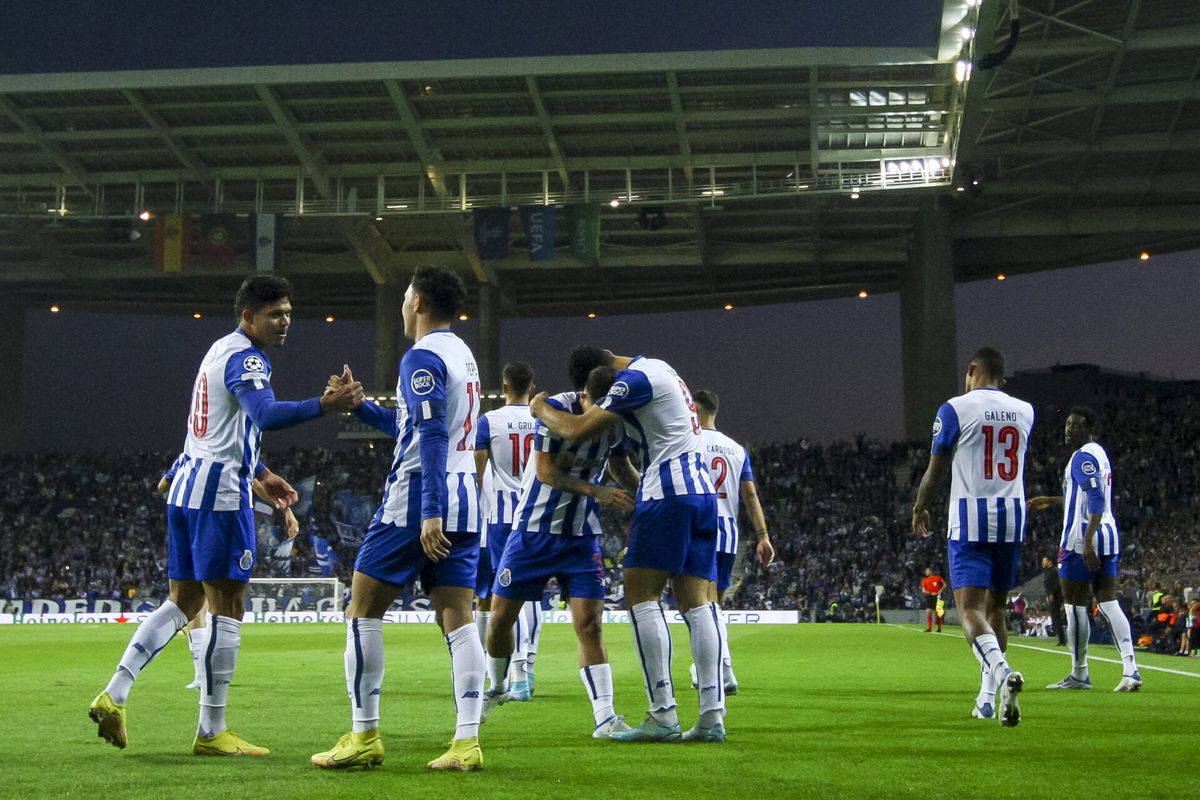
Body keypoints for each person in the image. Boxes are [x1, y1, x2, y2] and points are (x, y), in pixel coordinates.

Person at [88, 274, 363, 755]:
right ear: (248, 316)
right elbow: (268, 414)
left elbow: (219, 427)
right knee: (228, 606)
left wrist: (262, 472)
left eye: (289, 314)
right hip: (219, 496)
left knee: (183, 603)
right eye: (275, 314)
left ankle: (115, 694)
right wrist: (327, 404)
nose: (284, 322)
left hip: (189, 487)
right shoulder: (248, 358)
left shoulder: (218, 350)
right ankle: (212, 731)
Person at [312, 265, 487, 772]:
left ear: (417, 302)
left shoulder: (421, 357)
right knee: (458, 618)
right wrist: (361, 407)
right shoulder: (463, 356)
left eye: (405, 294)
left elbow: (430, 436)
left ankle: (364, 735)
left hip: (417, 501)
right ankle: (466, 742)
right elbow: (412, 425)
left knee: (362, 609)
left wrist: (429, 513)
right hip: (465, 499)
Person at [532, 348, 725, 743]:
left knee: (640, 594)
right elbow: (621, 459)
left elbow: (576, 429)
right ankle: (711, 716)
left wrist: (538, 407)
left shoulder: (633, 380)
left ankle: (663, 715)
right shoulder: (661, 366)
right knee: (696, 602)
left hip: (669, 490)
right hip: (704, 492)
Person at [483, 363, 638, 738]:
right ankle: (499, 686)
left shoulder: (616, 421)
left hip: (581, 537)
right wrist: (596, 492)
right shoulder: (552, 410)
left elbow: (621, 466)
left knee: (590, 624)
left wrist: (644, 495)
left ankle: (605, 717)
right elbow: (546, 472)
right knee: (501, 618)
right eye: (594, 409)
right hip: (532, 532)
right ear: (583, 396)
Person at [912, 347, 1032, 727]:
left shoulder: (955, 408)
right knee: (997, 609)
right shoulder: (1025, 411)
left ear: (972, 369)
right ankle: (985, 699)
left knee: (969, 611)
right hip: (1012, 519)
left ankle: (1000, 674)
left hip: (970, 520)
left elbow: (934, 472)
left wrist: (919, 507)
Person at [156, 456, 300, 690]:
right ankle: (208, 675)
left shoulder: (188, 456)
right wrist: (286, 511)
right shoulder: (237, 448)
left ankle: (201, 674)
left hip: (191, 519)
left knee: (196, 602)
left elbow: (163, 485)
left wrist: (186, 487)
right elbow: (257, 482)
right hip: (222, 524)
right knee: (215, 601)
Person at [1028, 406, 1142, 691]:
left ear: (1089, 428)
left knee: (1075, 606)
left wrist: (1088, 539)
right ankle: (1131, 670)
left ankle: (1079, 674)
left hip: (1081, 540)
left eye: (1076, 425)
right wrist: (1052, 500)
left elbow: (1094, 497)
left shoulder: (1081, 457)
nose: (1069, 429)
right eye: (1067, 424)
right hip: (1109, 535)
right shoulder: (1100, 453)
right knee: (1107, 602)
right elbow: (1081, 495)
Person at [687, 390, 775, 693]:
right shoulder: (736, 449)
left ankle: (718, 668)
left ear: (695, 409)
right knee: (713, 606)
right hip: (728, 533)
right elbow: (750, 494)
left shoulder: (688, 442)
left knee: (698, 607)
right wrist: (763, 536)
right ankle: (715, 666)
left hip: (697, 529)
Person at [474, 361, 542, 699]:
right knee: (529, 594)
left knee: (506, 595)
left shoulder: (489, 421)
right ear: (532, 387)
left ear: (503, 388)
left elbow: (478, 467)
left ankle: (514, 675)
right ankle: (525, 668)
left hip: (502, 516)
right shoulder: (544, 419)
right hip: (537, 513)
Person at [1041, 555, 1067, 646]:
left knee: (1056, 618)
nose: (1042, 563)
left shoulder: (1053, 571)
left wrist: (1052, 594)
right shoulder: (1046, 572)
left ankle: (1062, 640)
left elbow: (1056, 584)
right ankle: (1061, 639)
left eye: (1044, 561)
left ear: (1049, 561)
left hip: (1056, 598)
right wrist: (1047, 595)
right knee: (1055, 619)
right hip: (1051, 597)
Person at [920, 567, 946, 633]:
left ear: (931, 572)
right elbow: (923, 590)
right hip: (929, 597)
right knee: (928, 612)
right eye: (926, 571)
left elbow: (945, 584)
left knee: (938, 613)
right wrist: (928, 592)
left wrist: (940, 590)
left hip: (938, 596)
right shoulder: (924, 581)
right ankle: (929, 628)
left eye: (927, 571)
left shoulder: (937, 578)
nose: (926, 572)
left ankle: (939, 628)